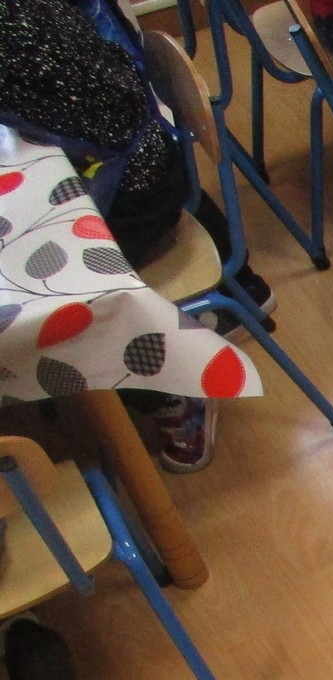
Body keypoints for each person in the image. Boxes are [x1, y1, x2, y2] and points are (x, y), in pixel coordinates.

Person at [0, 0, 277, 473]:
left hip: (132, 184)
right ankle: (239, 290)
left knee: (54, 298)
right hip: (133, 152)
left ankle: (171, 390)